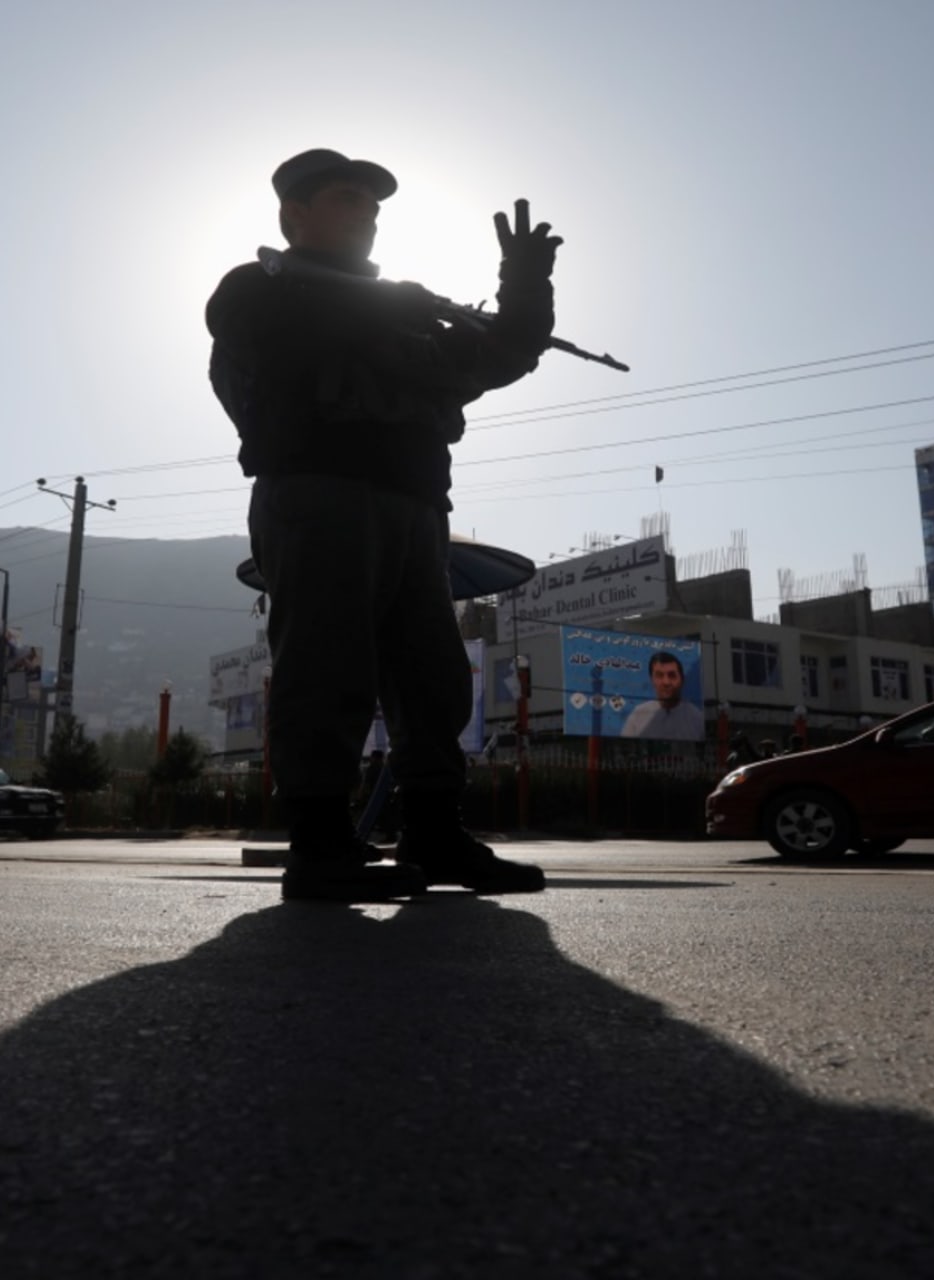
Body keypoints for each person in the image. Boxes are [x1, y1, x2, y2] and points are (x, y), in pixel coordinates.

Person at [207, 148, 560, 902]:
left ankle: (434, 835)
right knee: (326, 669)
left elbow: (498, 353)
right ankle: (320, 846)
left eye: (373, 207)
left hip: (417, 507)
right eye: (347, 200)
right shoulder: (257, 289)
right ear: (294, 216)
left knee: (431, 679)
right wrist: (387, 304)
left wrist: (524, 287)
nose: (367, 216)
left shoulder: (397, 313)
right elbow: (269, 334)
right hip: (318, 497)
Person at [618, 652, 705, 741]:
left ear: (682, 680)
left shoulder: (696, 718)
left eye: (672, 675)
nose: (666, 682)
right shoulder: (638, 715)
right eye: (659, 675)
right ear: (652, 680)